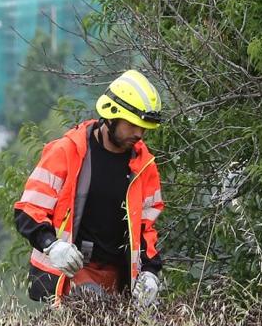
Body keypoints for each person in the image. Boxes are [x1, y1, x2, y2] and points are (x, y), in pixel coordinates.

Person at [14, 70, 165, 306]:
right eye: (132, 125)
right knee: (94, 315)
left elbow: (147, 229)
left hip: (121, 278)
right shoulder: (67, 152)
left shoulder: (144, 166)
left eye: (144, 128)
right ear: (111, 116)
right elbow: (27, 210)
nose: (139, 133)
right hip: (72, 270)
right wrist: (52, 246)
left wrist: (151, 272)